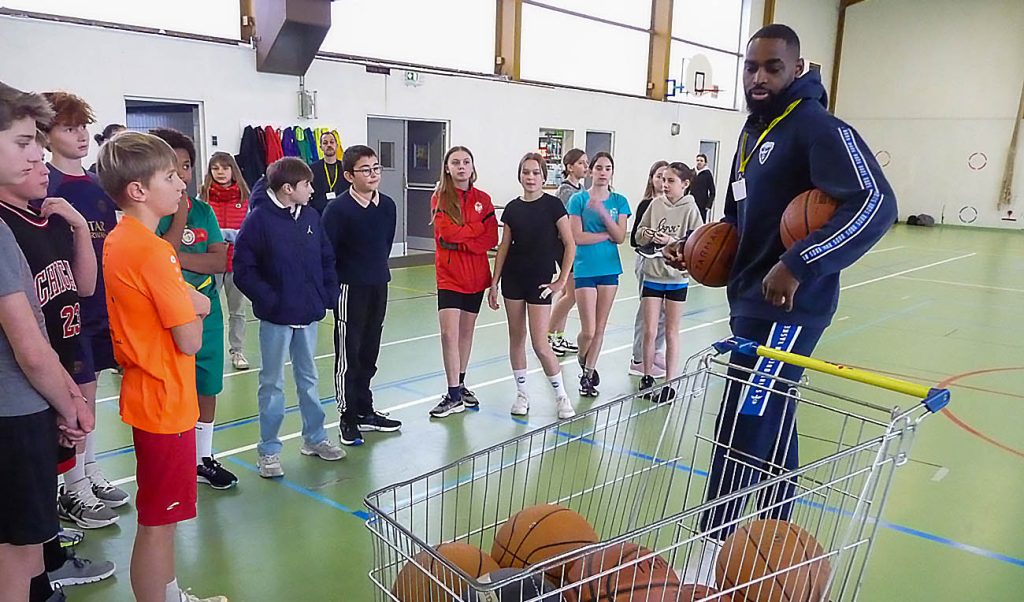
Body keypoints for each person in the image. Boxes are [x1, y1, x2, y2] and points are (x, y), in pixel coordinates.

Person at [663, 24, 897, 585]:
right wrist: (695, 249)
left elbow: (877, 203)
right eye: (752, 68)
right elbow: (740, 222)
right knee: (775, 422)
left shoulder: (817, 128)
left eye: (772, 67)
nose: (759, 77)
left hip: (792, 309)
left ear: (796, 69)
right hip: (747, 303)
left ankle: (711, 547)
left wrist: (800, 263)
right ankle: (776, 546)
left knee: (745, 419)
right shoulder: (750, 134)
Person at [97, 131, 226, 602]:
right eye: (170, 175)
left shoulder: (122, 239)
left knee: (162, 518)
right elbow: (190, 338)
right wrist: (202, 306)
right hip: (165, 400)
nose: (180, 184)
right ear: (138, 190)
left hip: (147, 394)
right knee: (158, 523)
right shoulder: (153, 251)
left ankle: (171, 594)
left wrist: (188, 299)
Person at [0, 132, 116, 599]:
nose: (39, 157)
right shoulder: (7, 228)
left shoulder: (45, 218)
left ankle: (43, 568)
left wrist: (79, 227)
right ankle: (43, 574)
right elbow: (27, 345)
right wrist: (68, 401)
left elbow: (84, 286)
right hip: (30, 388)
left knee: (32, 510)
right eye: (25, 143)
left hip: (53, 377)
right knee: (18, 532)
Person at [40, 90, 129, 527]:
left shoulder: (97, 188)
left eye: (82, 127)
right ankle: (71, 490)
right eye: (68, 127)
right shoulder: (46, 188)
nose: (79, 135)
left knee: (94, 395)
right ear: (47, 134)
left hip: (102, 307)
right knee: (76, 399)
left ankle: (87, 471)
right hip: (67, 312)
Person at [233, 157, 346, 476]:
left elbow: (326, 257)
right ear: (287, 189)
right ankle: (268, 449)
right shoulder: (258, 220)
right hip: (276, 319)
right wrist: (273, 301)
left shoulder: (311, 215)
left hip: (308, 315)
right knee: (272, 383)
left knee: (309, 379)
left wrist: (326, 295)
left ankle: (315, 437)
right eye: (307, 185)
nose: (312, 190)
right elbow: (244, 269)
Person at [152, 128, 238, 491]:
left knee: (207, 384)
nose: (181, 176)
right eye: (172, 168)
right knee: (172, 386)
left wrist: (179, 257)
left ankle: (203, 456)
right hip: (166, 315)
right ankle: (174, 457)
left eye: (185, 166)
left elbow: (219, 260)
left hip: (208, 311)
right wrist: (179, 219)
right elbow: (157, 261)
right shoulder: (151, 215)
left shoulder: (204, 211)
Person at [321, 145, 402, 446]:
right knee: (349, 353)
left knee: (369, 351)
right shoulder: (337, 210)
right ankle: (348, 416)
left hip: (378, 285)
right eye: (365, 170)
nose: (373, 174)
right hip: (349, 288)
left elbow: (385, 244)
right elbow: (327, 252)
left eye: (376, 168)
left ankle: (365, 410)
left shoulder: (388, 206)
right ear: (349, 175)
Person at [487, 152, 576, 419]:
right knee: (517, 337)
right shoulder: (513, 208)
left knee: (540, 343)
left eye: (535, 172)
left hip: (541, 282)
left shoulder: (553, 206)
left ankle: (561, 396)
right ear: (520, 176)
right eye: (526, 172)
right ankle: (522, 394)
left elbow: (569, 243)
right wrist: (494, 282)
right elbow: (504, 246)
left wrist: (561, 280)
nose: (530, 177)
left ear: (543, 176)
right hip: (514, 280)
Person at [428, 146, 498, 418]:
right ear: (447, 168)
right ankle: (453, 393)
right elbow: (445, 234)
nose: (461, 166)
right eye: (455, 162)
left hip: (476, 276)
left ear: (472, 167)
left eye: (466, 162)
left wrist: (466, 240)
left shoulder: (484, 199)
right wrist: (475, 231)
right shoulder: (440, 198)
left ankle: (461, 382)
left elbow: (491, 238)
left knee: (466, 333)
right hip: (449, 276)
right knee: (449, 334)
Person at [634, 162, 703, 402]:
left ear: (685, 184)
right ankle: (646, 376)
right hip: (653, 274)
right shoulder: (655, 205)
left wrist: (672, 239)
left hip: (676, 279)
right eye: (663, 180)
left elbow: (697, 241)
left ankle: (670, 382)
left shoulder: (691, 209)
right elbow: (638, 233)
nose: (665, 185)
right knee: (650, 329)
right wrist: (650, 235)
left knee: (672, 331)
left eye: (671, 181)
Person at [567, 152, 630, 397]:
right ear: (591, 170)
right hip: (585, 269)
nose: (603, 172)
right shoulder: (578, 200)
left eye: (608, 168)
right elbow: (577, 237)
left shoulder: (619, 201)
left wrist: (604, 214)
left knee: (601, 327)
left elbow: (621, 236)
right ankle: (583, 357)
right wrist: (605, 235)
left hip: (609, 269)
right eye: (599, 167)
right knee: (589, 330)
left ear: (612, 172)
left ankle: (588, 375)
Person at [201, 151, 252, 371]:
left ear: (233, 170)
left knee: (237, 311)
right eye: (215, 168)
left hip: (236, 264)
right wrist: (223, 235)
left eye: (224, 168)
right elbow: (200, 232)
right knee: (206, 310)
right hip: (211, 265)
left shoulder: (245, 199)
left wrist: (223, 234)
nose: (220, 172)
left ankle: (237, 351)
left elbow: (248, 232)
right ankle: (204, 352)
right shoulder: (202, 200)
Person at [628, 160, 669, 379]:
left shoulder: (676, 206)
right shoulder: (647, 205)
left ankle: (654, 351)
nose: (663, 182)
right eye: (659, 176)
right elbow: (635, 240)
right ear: (651, 179)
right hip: (647, 262)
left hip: (667, 265)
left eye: (667, 178)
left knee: (664, 311)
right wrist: (653, 237)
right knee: (647, 311)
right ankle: (638, 358)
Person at [547, 148, 588, 357]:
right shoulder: (566, 191)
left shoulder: (581, 190)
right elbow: (567, 224)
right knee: (572, 294)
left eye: (586, 163)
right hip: (564, 246)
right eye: (580, 163)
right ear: (570, 167)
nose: (585, 167)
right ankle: (548, 335)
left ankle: (558, 335)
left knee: (566, 293)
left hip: (575, 247)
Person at [309, 131, 348, 214]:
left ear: (337, 146)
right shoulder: (312, 168)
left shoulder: (345, 168)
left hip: (342, 211)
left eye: (332, 142)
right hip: (319, 213)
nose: (329, 145)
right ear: (321, 147)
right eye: (325, 143)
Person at [691, 153, 717, 222]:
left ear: (705, 163)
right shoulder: (692, 172)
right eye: (698, 160)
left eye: (701, 161)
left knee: (700, 223)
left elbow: (712, 191)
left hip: (702, 204)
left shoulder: (707, 174)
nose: (699, 162)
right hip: (691, 203)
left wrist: (708, 205)